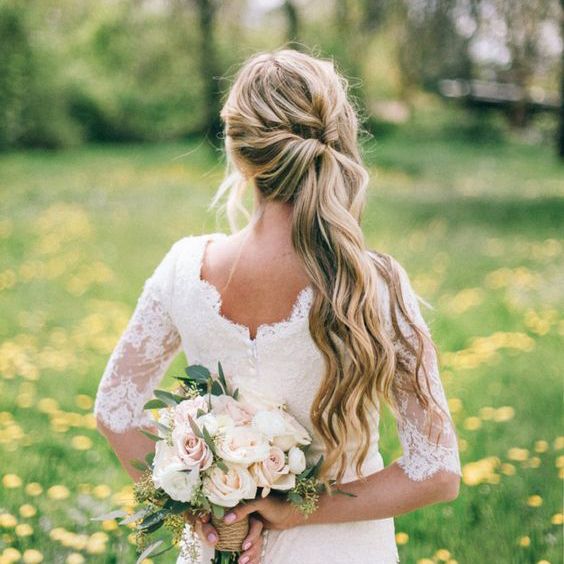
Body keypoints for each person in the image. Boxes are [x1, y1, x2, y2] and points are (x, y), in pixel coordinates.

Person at [94, 48, 462, 564]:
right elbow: (437, 472)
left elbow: (115, 411)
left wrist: (196, 504)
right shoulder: (371, 284)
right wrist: (296, 511)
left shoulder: (183, 269)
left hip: (218, 547)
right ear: (338, 140)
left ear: (238, 150)